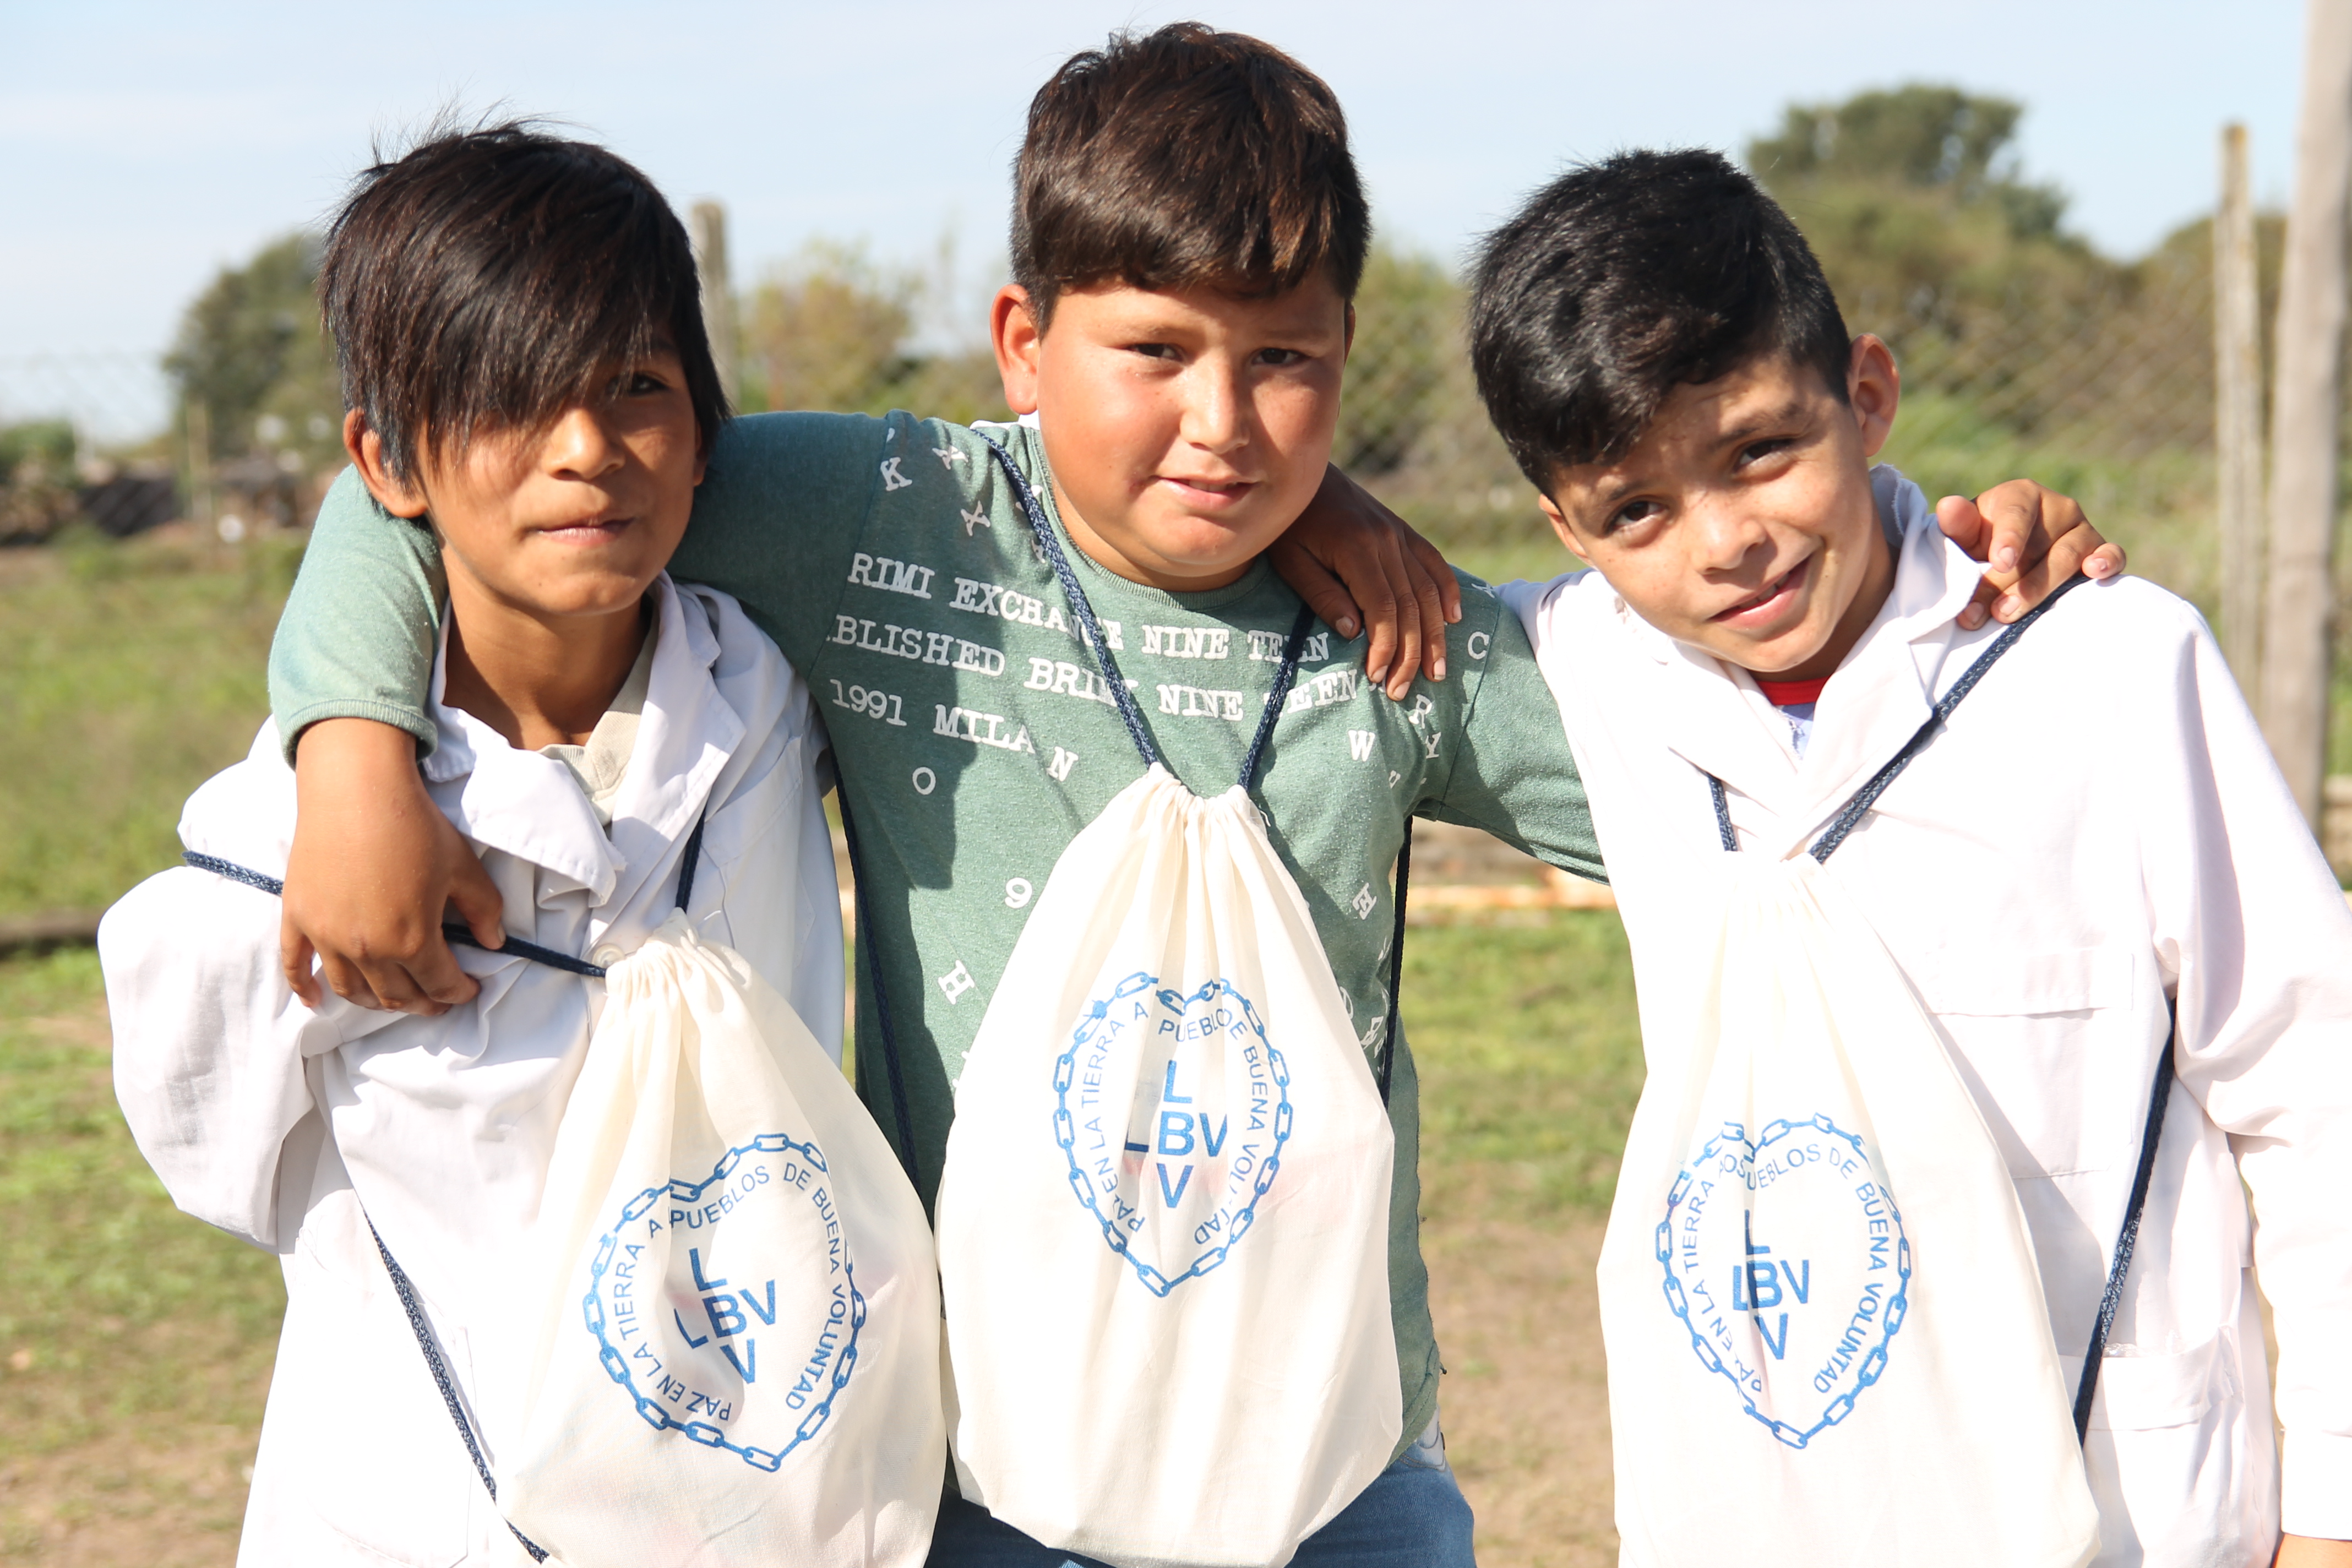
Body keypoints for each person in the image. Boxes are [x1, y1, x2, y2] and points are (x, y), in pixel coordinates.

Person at [260, 30, 2115, 1566]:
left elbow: (1779, 771)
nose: (1223, 425)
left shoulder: (1402, 646)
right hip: (984, 1464)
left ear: (1345, 359)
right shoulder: (887, 528)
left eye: (1283, 362)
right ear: (1022, 341)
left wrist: (1945, 579)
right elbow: (458, 470)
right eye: (1154, 354)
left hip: (1337, 1468)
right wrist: (348, 747)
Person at [1471, 148, 2352, 1567]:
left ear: (1866, 394)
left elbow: (2316, 1084)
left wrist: (2335, 1515)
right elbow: (1285, 589)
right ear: (1568, 530)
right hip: (1784, 1511)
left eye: (1761, 450)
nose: (1727, 542)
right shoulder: (1578, 669)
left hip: (2132, 1510)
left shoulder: (2109, 667)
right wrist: (1338, 514)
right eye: (1637, 509)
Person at [99, 126, 881, 1564]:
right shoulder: (288, 849)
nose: (586, 449)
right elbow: (211, 1145)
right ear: (385, 464)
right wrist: (354, 769)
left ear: (707, 430)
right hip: (419, 1512)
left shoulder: (771, 702)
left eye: (637, 386)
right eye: (510, 396)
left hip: (754, 1487)